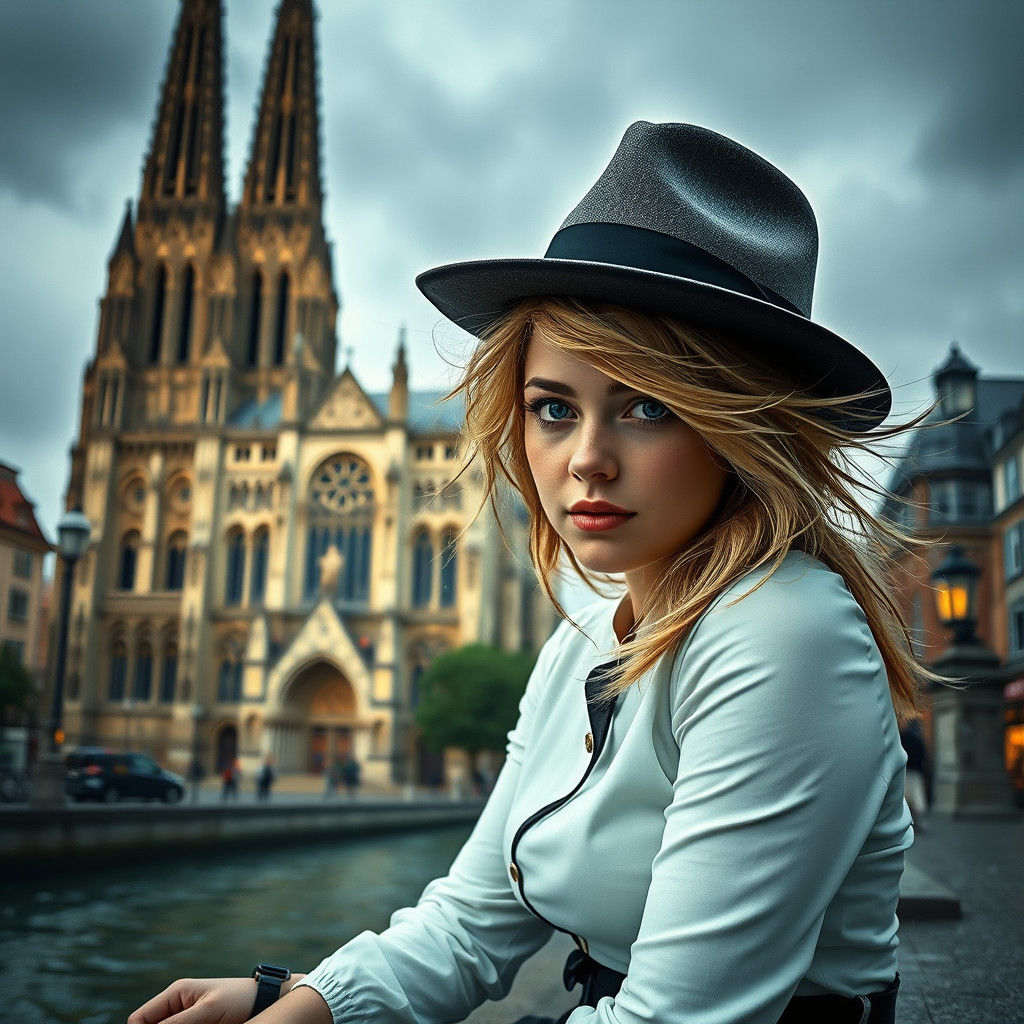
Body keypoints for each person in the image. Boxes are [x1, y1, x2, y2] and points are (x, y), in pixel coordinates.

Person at [129, 122, 950, 1024]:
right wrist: (306, 998)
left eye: (647, 406)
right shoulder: (584, 643)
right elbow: (473, 924)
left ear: (740, 424)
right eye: (552, 408)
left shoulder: (786, 626)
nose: (586, 460)